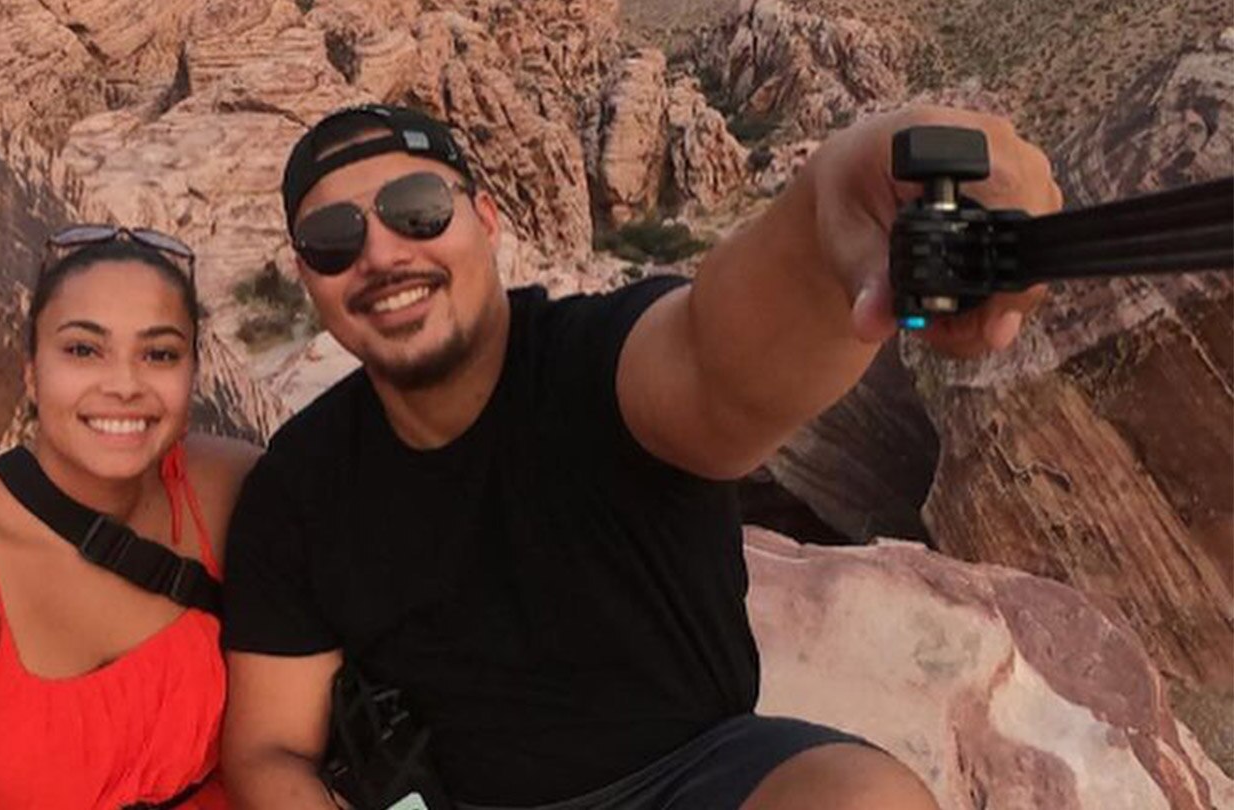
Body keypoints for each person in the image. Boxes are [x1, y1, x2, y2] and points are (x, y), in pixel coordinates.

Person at [219, 103, 1058, 809]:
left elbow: (719, 362)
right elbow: (269, 751)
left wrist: (833, 205)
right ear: (307, 276)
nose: (381, 254)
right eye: (333, 239)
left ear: (485, 220)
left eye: (416, 209)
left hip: (696, 774)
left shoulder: (596, 362)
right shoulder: (301, 485)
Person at [0, 226, 262, 809]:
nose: (124, 385)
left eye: (159, 354)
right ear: (30, 373)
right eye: (83, 349)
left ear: (192, 373)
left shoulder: (229, 487)